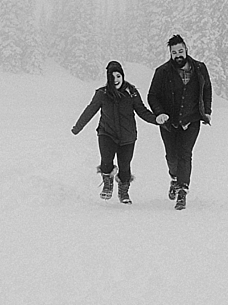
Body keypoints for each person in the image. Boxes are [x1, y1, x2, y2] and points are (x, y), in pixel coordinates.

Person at [72, 60, 166, 204]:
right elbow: (90, 110)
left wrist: (156, 119)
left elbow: (142, 111)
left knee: (125, 165)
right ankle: (107, 183)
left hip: (127, 137)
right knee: (106, 161)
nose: (115, 80)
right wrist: (78, 127)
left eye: (118, 76)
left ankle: (124, 192)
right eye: (112, 77)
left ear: (122, 76)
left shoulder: (132, 92)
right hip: (106, 133)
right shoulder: (102, 93)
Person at [147, 34, 212, 210]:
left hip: (191, 120)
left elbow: (206, 89)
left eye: (180, 51)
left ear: (186, 50)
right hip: (169, 123)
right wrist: (159, 113)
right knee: (171, 156)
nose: (178, 55)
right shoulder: (162, 72)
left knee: (185, 154)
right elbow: (152, 95)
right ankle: (174, 178)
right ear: (170, 53)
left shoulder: (199, 68)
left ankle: (182, 191)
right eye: (174, 52)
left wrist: (207, 111)